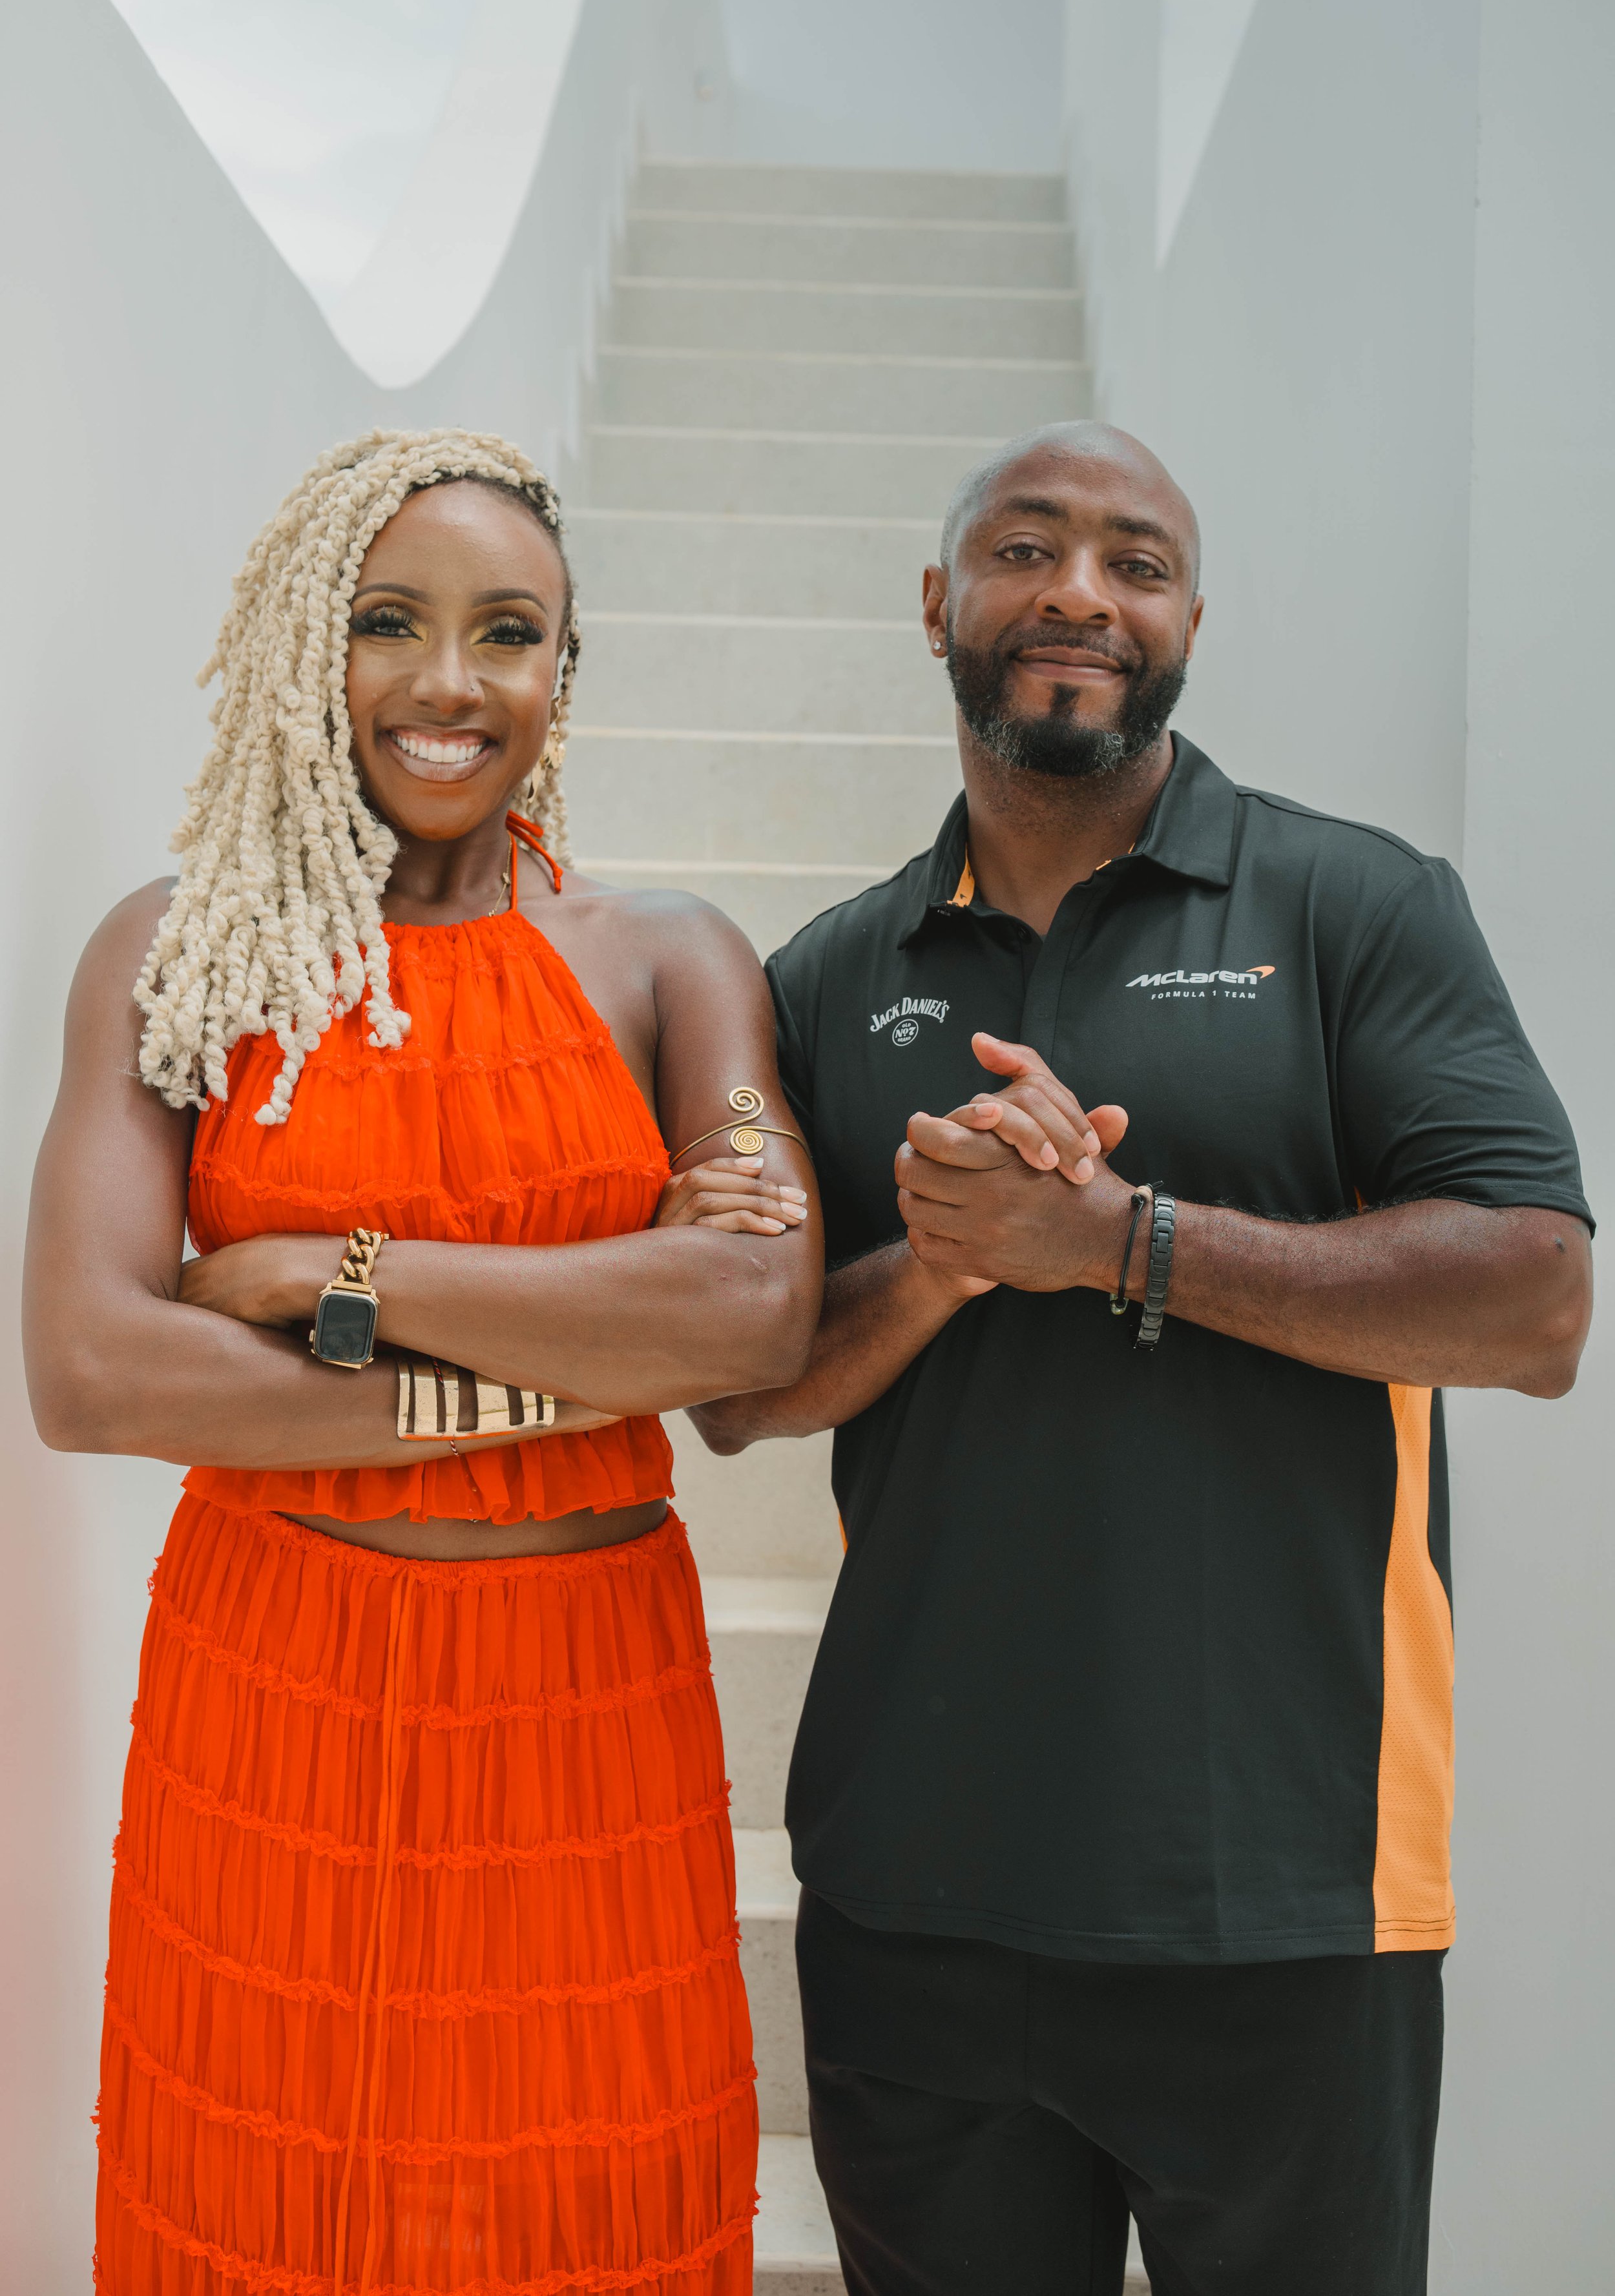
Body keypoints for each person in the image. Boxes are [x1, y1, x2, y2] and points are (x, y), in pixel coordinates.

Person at [687, 422, 1594, 2296]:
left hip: (1283, 1898)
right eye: (1023, 550)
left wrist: (1122, 1242)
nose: (1078, 592)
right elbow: (737, 1386)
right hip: (910, 1903)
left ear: (1189, 623)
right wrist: (946, 1266)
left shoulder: (1354, 907)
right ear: (934, 602)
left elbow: (1531, 1305)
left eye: (1136, 561)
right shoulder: (828, 978)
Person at [23, 429, 820, 2296]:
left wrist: (327, 1267)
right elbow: (93, 1371)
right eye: (391, 622)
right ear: (314, 642)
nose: (449, 684)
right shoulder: (178, 957)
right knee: (268, 2200)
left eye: (509, 634)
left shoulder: (671, 961)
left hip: (585, 1700)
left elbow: (747, 1317)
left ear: (565, 670)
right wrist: (564, 1369)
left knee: (583, 2212)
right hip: (276, 1682)